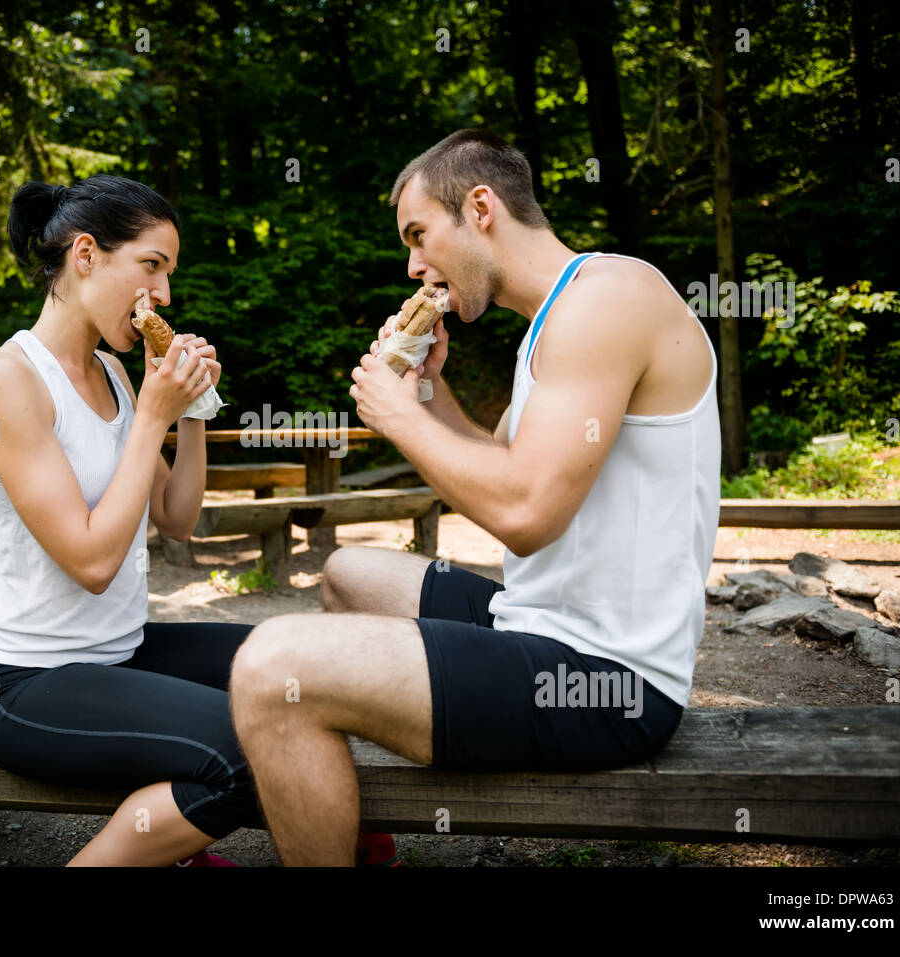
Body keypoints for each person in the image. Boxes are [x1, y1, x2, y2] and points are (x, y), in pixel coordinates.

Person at [228, 128, 721, 865]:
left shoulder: (609, 299)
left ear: (482, 208)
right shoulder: (553, 321)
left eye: (420, 234)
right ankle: (366, 845)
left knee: (272, 667)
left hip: (606, 680)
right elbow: (501, 464)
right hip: (538, 624)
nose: (413, 264)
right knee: (346, 574)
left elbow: (525, 514)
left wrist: (393, 415)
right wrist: (428, 391)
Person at [0, 173, 257, 866]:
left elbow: (176, 519)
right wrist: (154, 416)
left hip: (119, 652)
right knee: (248, 755)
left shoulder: (117, 375)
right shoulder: (10, 382)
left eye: (170, 273)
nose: (167, 295)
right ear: (86, 255)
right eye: (152, 265)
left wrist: (192, 414)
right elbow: (92, 562)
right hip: (27, 682)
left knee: (293, 666)